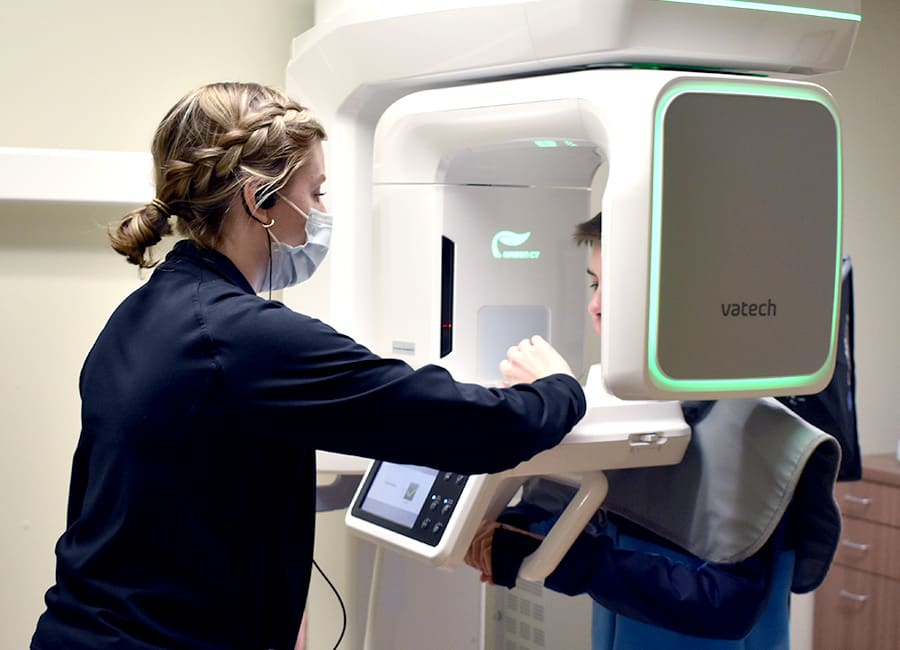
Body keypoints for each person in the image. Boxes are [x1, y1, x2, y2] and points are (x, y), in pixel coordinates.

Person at [30, 82, 586, 650]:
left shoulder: (142, 314)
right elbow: (477, 426)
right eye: (316, 193)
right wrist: (559, 388)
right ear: (260, 200)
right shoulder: (244, 338)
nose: (322, 214)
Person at [466, 213, 843, 650]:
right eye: (594, 284)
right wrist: (511, 534)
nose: (595, 306)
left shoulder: (753, 429)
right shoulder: (620, 400)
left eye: (616, 287)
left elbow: (725, 604)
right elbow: (565, 512)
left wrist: (572, 562)